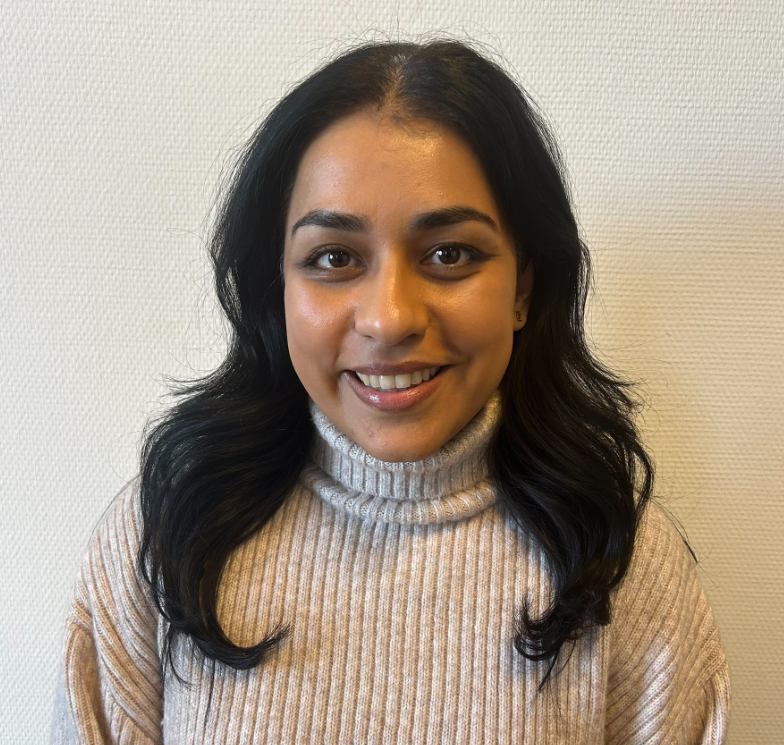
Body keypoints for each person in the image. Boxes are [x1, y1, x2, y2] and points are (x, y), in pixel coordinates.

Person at [51, 39, 730, 744]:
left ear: (523, 287)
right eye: (333, 258)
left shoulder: (625, 564)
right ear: (275, 286)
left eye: (449, 254)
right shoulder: (164, 534)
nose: (390, 318)